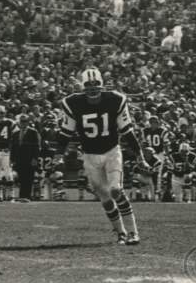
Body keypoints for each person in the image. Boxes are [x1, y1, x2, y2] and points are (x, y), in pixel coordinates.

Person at [57, 66, 157, 244]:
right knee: (106, 199)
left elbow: (127, 132)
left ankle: (133, 232)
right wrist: (58, 156)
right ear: (83, 87)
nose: (93, 89)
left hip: (111, 151)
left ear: (102, 85)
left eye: (96, 85)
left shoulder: (115, 100)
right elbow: (65, 133)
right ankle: (121, 233)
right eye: (89, 85)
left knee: (116, 190)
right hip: (89, 156)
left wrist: (139, 156)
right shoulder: (73, 103)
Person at [11, 113, 43, 201]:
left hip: (29, 159)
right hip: (19, 159)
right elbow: (13, 147)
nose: (23, 123)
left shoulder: (33, 132)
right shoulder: (15, 133)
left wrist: (35, 158)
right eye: (22, 121)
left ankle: (27, 196)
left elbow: (37, 146)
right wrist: (12, 159)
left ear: (28, 122)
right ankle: (21, 196)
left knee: (28, 178)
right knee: (21, 178)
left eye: (25, 121)